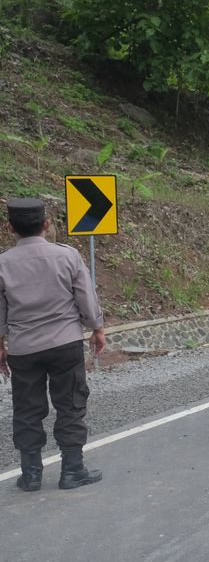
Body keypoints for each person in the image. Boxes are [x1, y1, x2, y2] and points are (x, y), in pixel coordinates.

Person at [0, 197, 105, 491]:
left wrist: (1, 345)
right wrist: (97, 328)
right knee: (70, 404)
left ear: (10, 228)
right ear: (46, 224)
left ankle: (31, 475)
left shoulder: (2, 263)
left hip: (23, 347)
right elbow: (85, 296)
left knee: (26, 409)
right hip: (65, 343)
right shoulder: (67, 256)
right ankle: (72, 470)